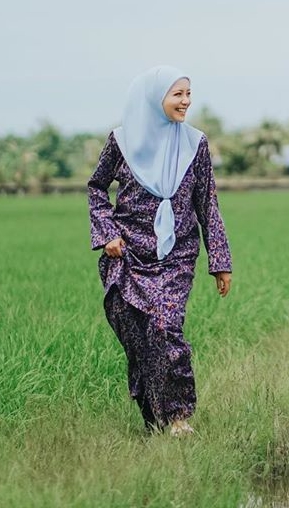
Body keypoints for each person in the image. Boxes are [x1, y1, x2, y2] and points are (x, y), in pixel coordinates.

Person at [88, 66, 233, 435]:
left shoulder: (195, 144)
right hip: (128, 254)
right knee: (139, 337)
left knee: (167, 328)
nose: (185, 101)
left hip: (176, 254)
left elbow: (208, 205)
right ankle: (155, 416)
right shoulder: (121, 142)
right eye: (177, 94)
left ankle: (179, 417)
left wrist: (220, 261)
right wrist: (107, 234)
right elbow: (96, 188)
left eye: (188, 93)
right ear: (156, 100)